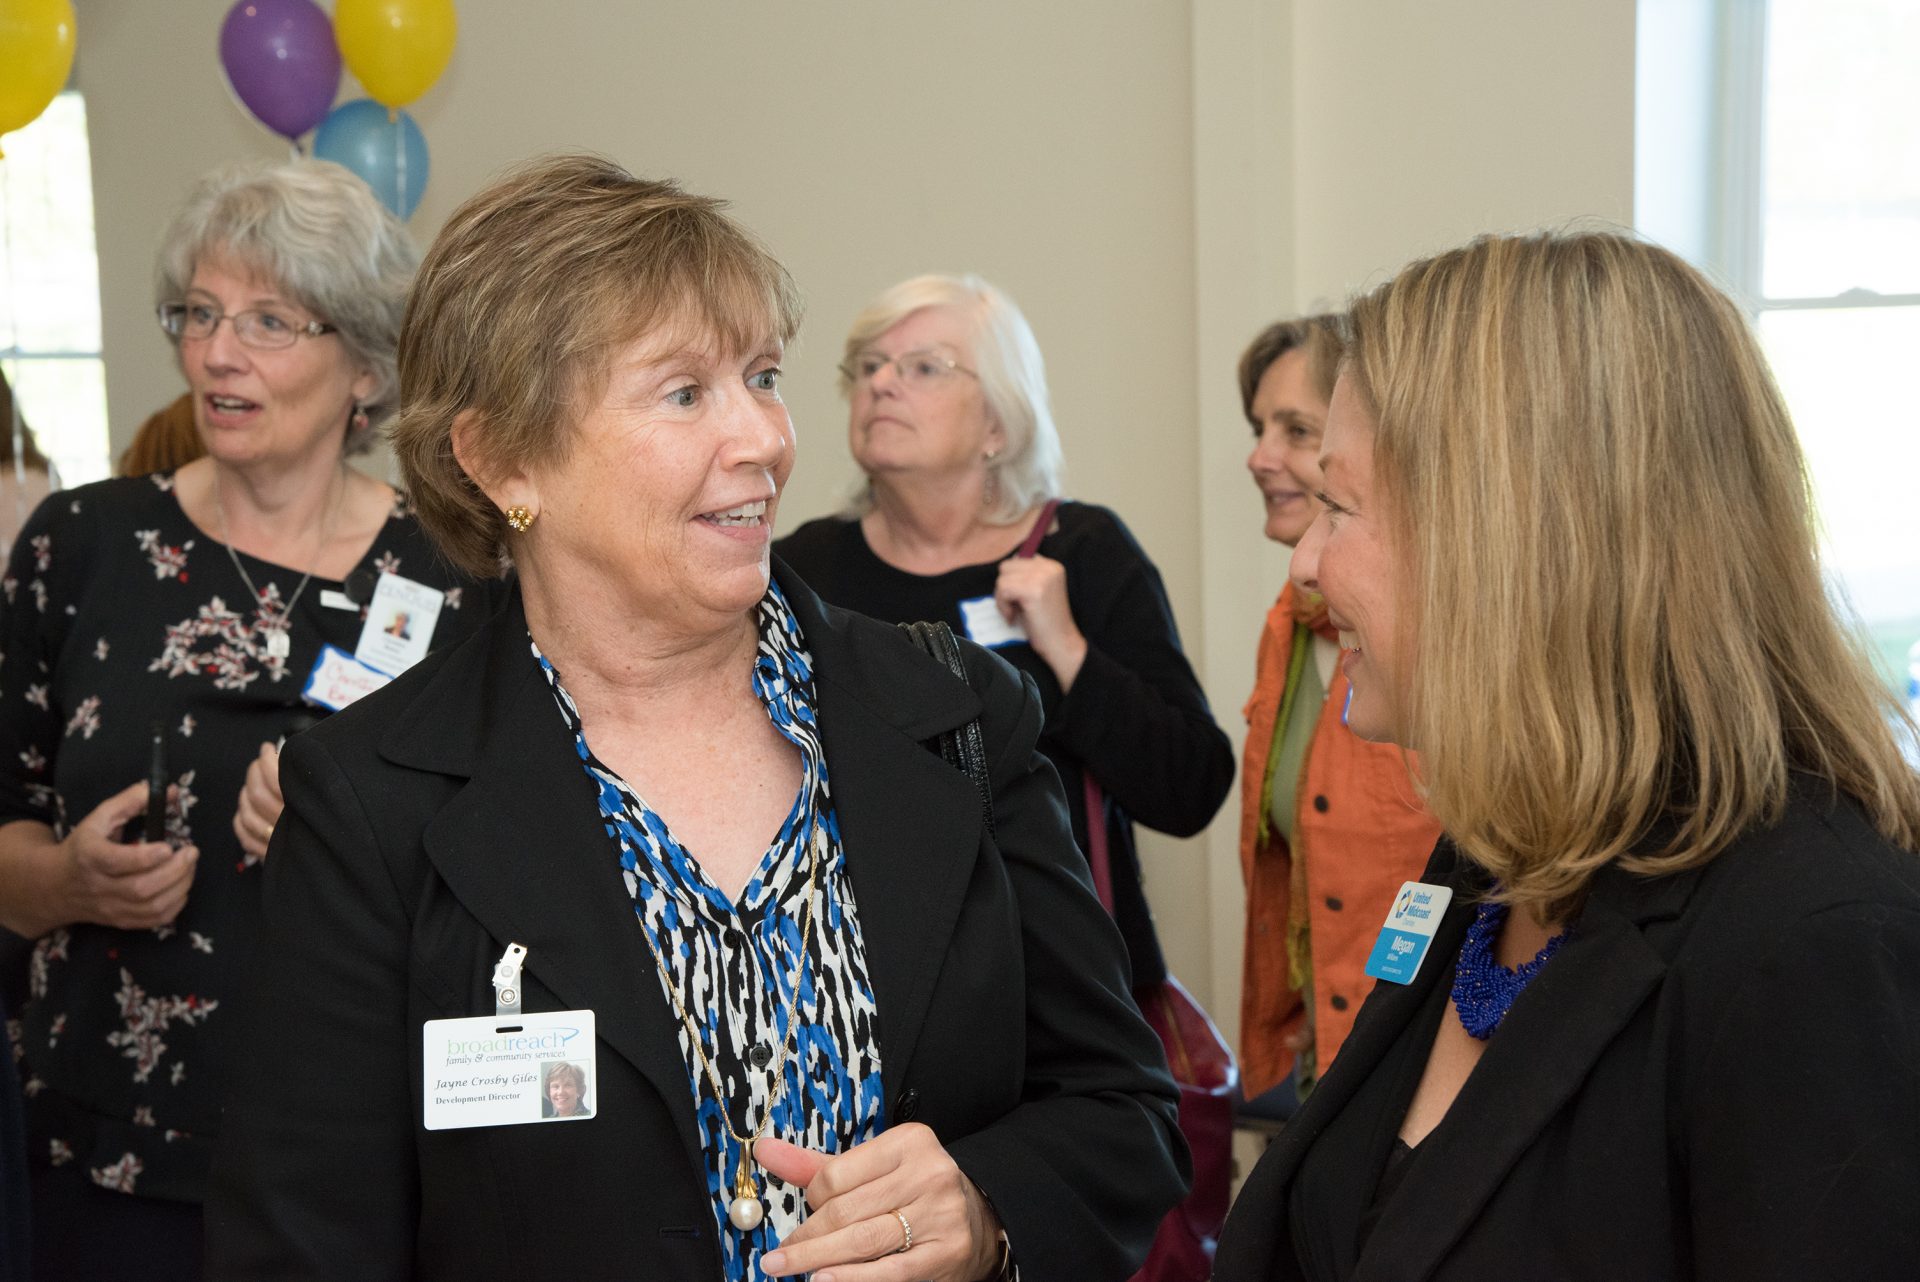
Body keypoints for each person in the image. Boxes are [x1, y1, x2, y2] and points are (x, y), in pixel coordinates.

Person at [206, 156, 1185, 1282]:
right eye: (684, 393)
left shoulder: (952, 715)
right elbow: (304, 1240)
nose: (763, 438)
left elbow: (1122, 1107)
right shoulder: (375, 800)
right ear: (503, 458)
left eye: (762, 377)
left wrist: (986, 1205)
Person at [1215, 230, 1920, 1280]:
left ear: (1516, 544)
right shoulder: (1497, 856)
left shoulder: (1814, 947)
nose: (1306, 563)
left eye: (1342, 507)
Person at [0, 158, 499, 1280]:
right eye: (200, 313)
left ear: (364, 366)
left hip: (364, 1164)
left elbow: (512, 867)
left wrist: (354, 837)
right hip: (106, 1159)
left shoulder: (458, 577)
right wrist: (66, 882)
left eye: (269, 321)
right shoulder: (81, 545)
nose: (218, 354)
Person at [774, 273, 1233, 992]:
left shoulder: (1082, 551)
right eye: (869, 366)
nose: (882, 384)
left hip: (1068, 980)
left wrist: (1069, 652)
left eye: (924, 367)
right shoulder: (803, 571)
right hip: (877, 985)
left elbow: (1189, 787)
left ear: (998, 423)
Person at [1234, 315, 1440, 1115]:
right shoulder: (1289, 625)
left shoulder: (1424, 651)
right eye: (1259, 428)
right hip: (1332, 1055)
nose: (1259, 457)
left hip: (1421, 1058)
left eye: (1295, 431)